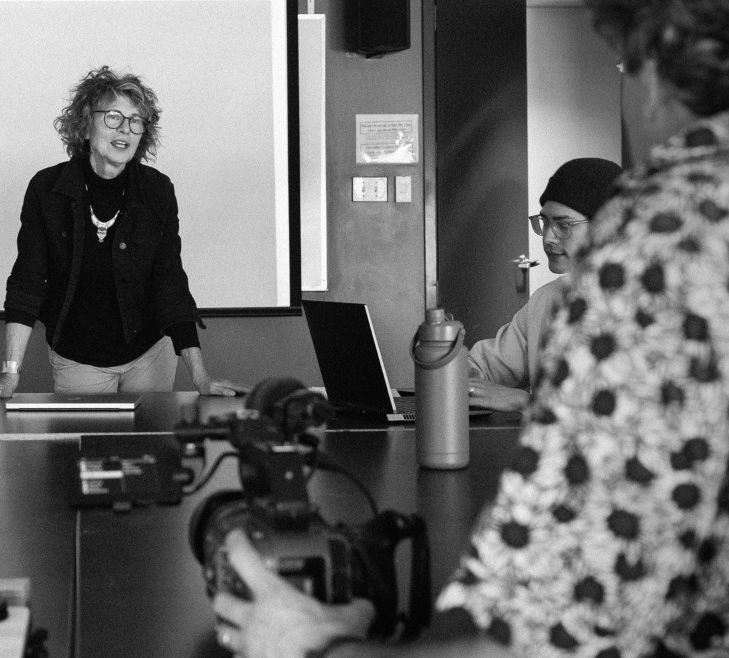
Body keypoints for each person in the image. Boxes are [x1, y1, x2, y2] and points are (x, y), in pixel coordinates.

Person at [211, 0, 729, 655]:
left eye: (622, 62)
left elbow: (534, 639)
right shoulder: (593, 283)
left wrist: (316, 646)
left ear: (656, 69)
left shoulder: (663, 246)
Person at [0, 66, 247, 399]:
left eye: (136, 121)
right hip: (79, 357)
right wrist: (9, 377)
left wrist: (202, 378)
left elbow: (170, 284)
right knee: (85, 446)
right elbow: (27, 283)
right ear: (86, 123)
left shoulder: (157, 192)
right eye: (114, 117)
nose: (126, 129)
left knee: (148, 448)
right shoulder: (47, 190)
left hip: (150, 354)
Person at [467, 157, 623, 411]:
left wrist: (525, 402)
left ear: (607, 226)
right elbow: (487, 366)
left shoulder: (643, 304)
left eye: (563, 225)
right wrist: (453, 366)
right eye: (545, 222)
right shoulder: (546, 300)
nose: (549, 238)